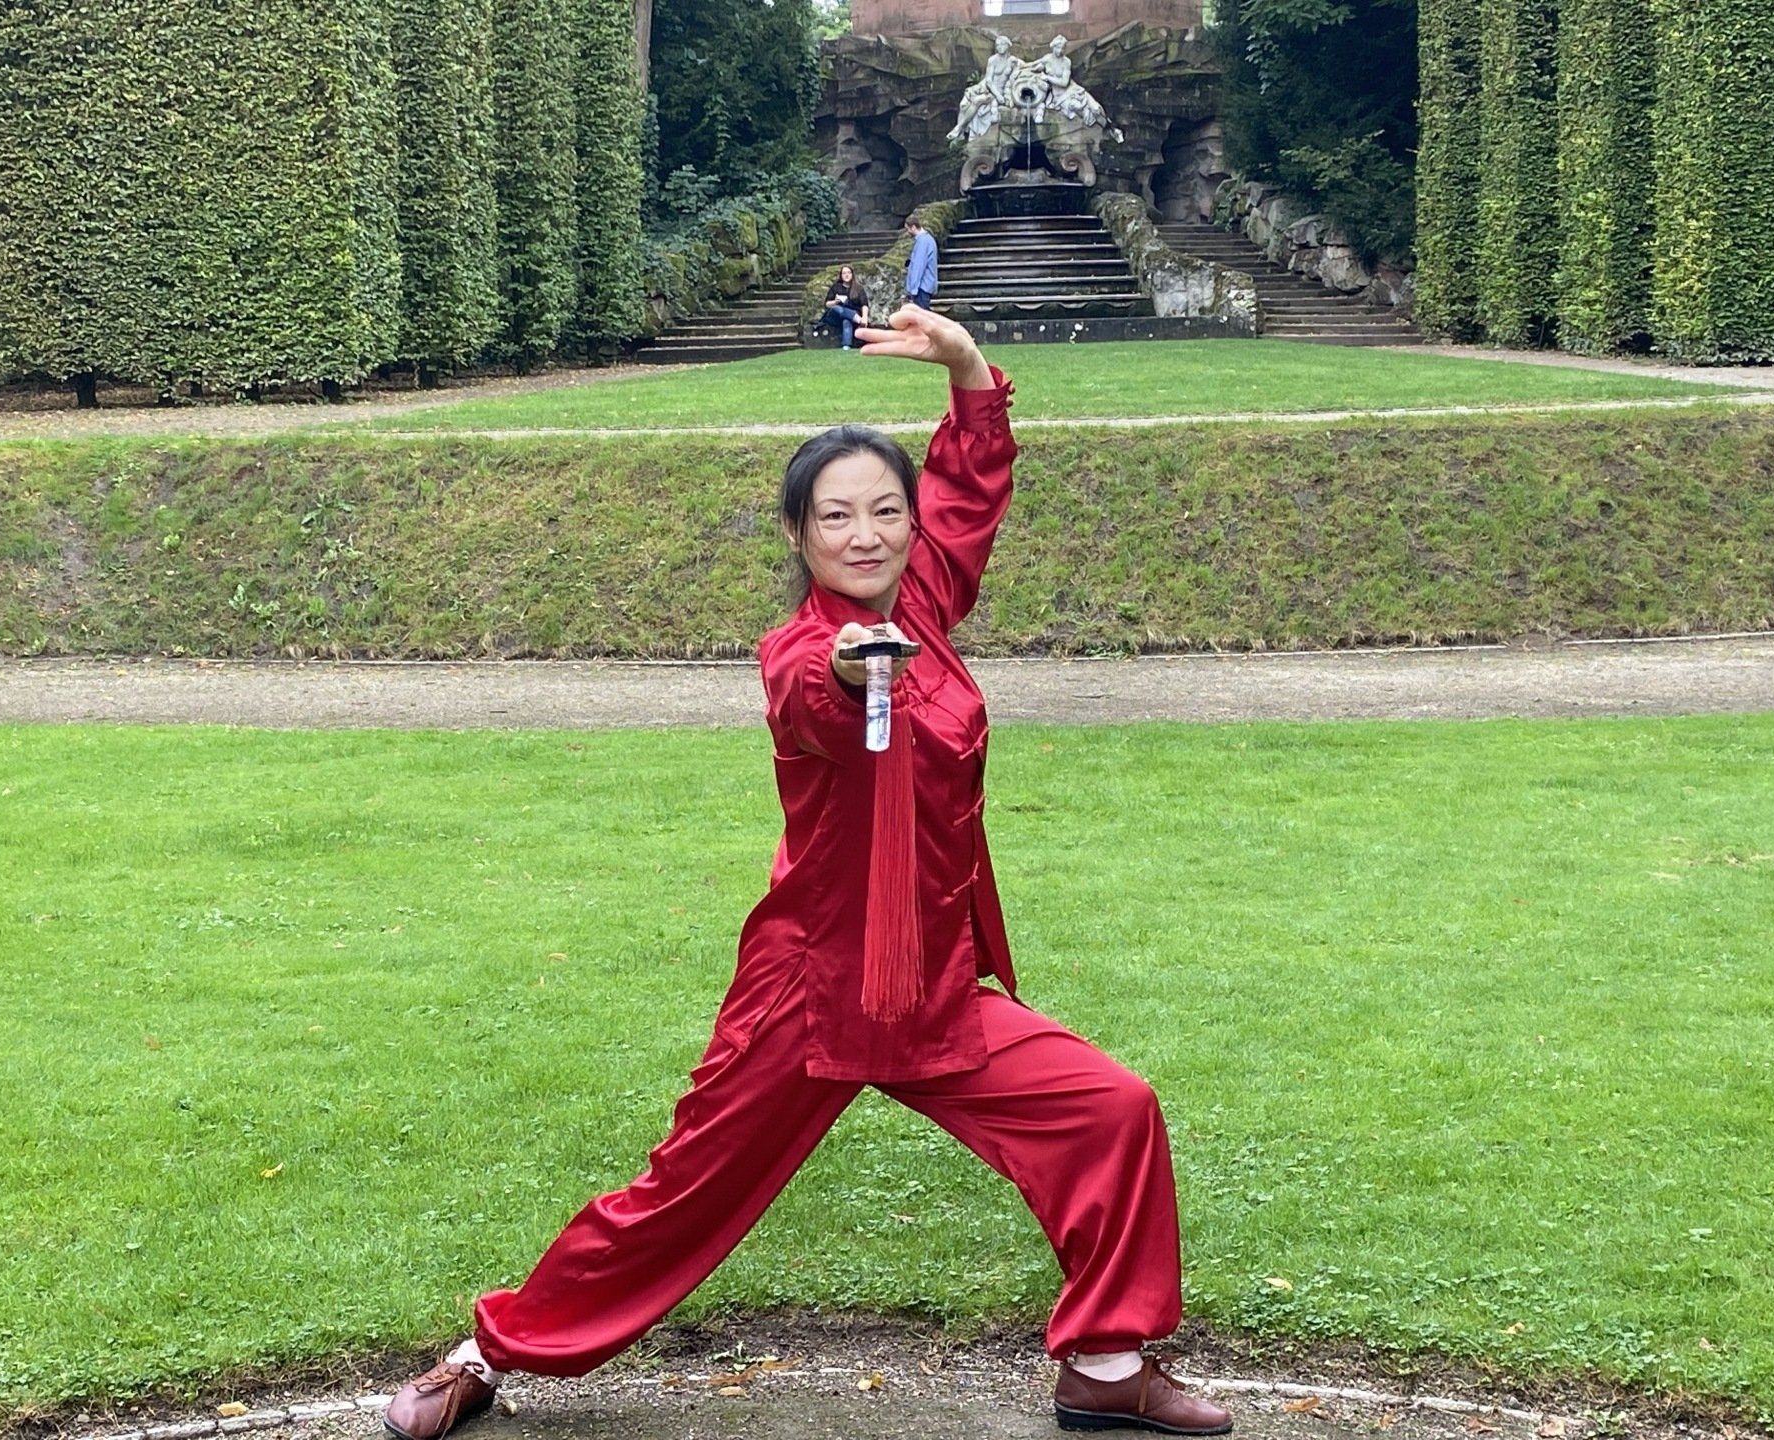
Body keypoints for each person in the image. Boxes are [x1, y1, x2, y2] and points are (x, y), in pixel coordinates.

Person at [381, 306, 1235, 1440]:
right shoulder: (804, 652)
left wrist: (968, 368)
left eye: (887, 510)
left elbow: (973, 486)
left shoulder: (926, 603)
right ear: (800, 532)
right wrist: (849, 668)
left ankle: (1108, 1366)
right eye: (839, 516)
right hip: (814, 994)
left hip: (934, 986)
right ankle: (485, 1353)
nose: (868, 533)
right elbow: (815, 701)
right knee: (677, 1201)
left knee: (1111, 1111)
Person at [817, 263, 868, 349]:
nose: (846, 275)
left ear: (852, 274)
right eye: (844, 273)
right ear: (841, 275)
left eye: (848, 273)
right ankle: (856, 318)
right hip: (835, 315)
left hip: (851, 314)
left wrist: (865, 318)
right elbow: (827, 304)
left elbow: (864, 304)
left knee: (846, 320)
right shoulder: (836, 287)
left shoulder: (858, 288)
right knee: (838, 308)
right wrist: (835, 301)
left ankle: (846, 345)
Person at [904, 216, 939, 311]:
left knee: (922, 317)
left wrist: (913, 290)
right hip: (925, 286)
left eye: (908, 229)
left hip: (922, 288)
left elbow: (918, 267)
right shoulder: (926, 240)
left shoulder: (923, 241)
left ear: (913, 227)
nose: (907, 232)